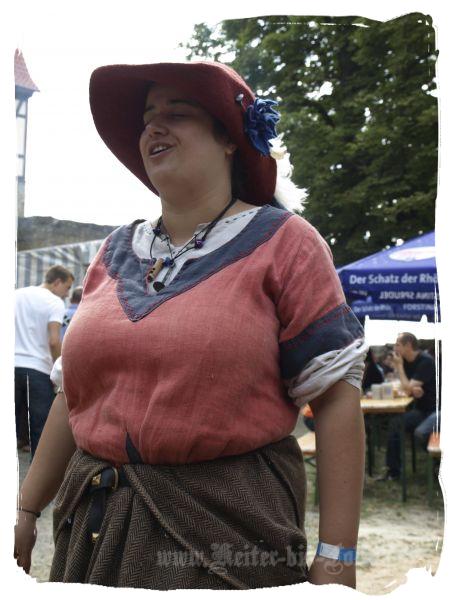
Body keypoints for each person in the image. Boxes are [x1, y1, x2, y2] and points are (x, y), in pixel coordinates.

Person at [14, 61, 368, 589]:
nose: (153, 127)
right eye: (147, 117)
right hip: (95, 531)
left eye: (177, 112)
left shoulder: (286, 243)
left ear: (229, 139)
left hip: (228, 536)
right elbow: (77, 396)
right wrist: (25, 510)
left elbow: (336, 399)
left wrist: (337, 558)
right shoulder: (112, 252)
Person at [14, 265, 74, 458]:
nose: (67, 294)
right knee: (40, 429)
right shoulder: (55, 302)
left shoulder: (17, 294)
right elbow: (54, 340)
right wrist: (59, 371)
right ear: (57, 282)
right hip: (38, 370)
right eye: (67, 287)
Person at [376, 332, 437, 481]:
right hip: (421, 409)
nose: (394, 348)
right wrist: (408, 386)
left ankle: (438, 463)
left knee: (402, 426)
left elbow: (407, 388)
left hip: (435, 411)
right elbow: (404, 386)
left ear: (408, 345)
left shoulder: (426, 361)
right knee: (396, 423)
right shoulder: (406, 361)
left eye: (397, 344)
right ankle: (394, 471)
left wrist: (399, 368)